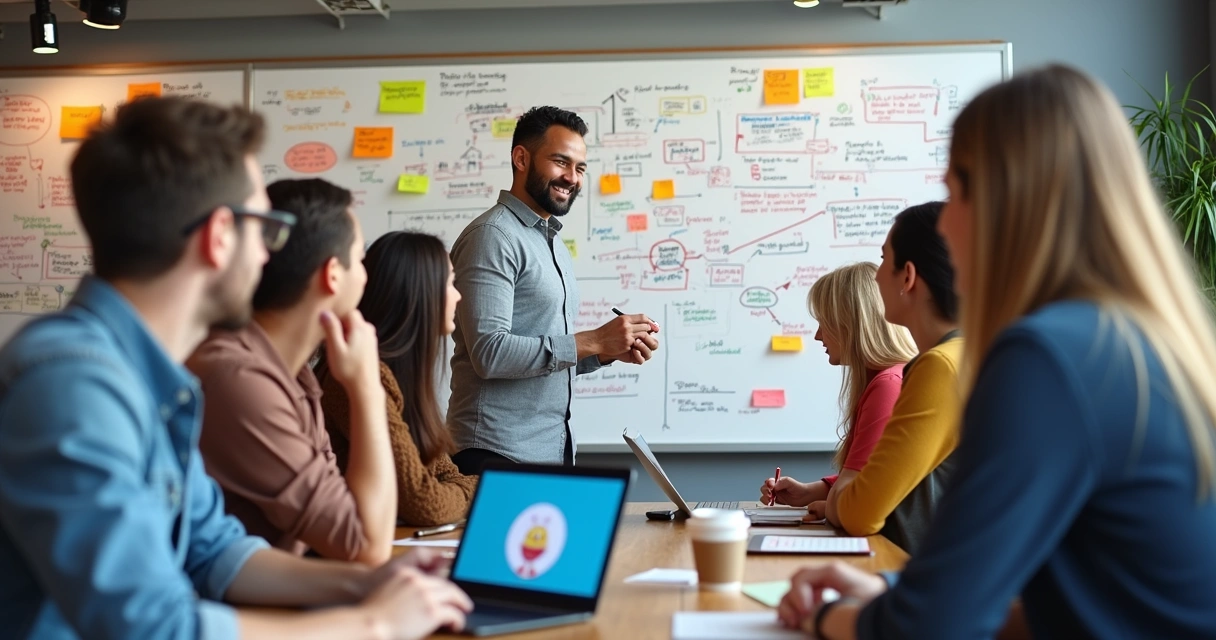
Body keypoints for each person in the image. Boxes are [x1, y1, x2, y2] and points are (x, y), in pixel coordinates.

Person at [0, 97, 470, 638]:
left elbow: (215, 552)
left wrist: (369, 583)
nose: (270, 255)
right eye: (264, 228)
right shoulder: (73, 386)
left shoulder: (150, 378)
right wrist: (374, 623)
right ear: (220, 236)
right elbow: (153, 628)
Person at [778, 65, 1216, 639]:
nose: (947, 222)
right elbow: (1089, 610)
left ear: (1004, 205)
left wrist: (824, 617)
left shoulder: (1044, 358)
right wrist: (886, 591)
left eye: (955, 193)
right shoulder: (1142, 340)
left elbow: (928, 628)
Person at [188, 177, 396, 566]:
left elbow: (345, 520)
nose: (366, 276)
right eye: (360, 258)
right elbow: (366, 544)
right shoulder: (237, 379)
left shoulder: (290, 372)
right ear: (333, 274)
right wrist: (367, 388)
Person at [447, 105, 661, 474]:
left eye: (580, 168)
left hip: (549, 448)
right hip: (495, 453)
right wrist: (592, 340)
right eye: (561, 162)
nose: (572, 178)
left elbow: (543, 357)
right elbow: (490, 353)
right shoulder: (492, 237)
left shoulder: (552, 242)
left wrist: (606, 351)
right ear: (520, 158)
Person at [821, 202, 963, 554]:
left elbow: (860, 513)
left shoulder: (940, 367)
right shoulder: (963, 355)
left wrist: (840, 499)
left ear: (908, 277)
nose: (877, 274)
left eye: (884, 260)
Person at [320, 231, 479, 527]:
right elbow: (425, 503)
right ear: (419, 294)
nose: (459, 295)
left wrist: (459, 490)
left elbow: (446, 474)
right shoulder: (361, 376)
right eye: (450, 283)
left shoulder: (399, 375)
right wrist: (477, 493)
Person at [761, 263, 917, 516]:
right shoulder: (890, 377)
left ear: (850, 325)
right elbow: (872, 476)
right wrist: (812, 491)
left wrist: (829, 507)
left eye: (824, 323)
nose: (818, 336)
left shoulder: (888, 386)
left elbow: (859, 504)